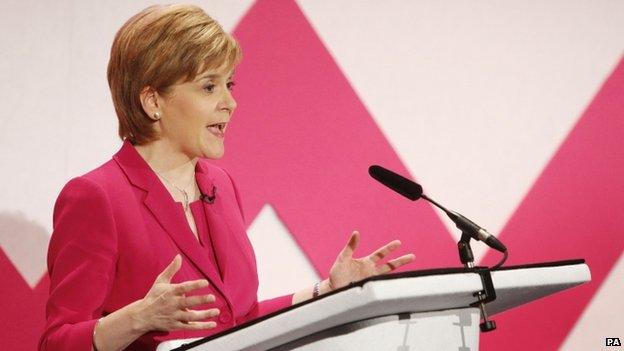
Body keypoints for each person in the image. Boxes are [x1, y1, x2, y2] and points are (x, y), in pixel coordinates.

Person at [38, 4, 415, 351]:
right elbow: (57, 342)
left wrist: (327, 291)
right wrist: (137, 319)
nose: (230, 102)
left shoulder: (221, 186)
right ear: (152, 101)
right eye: (208, 86)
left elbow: (238, 321)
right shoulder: (96, 196)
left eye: (229, 84)